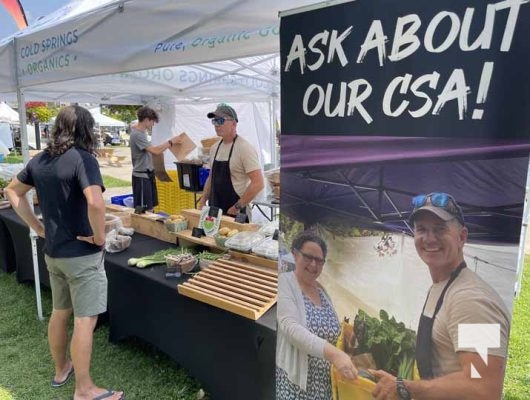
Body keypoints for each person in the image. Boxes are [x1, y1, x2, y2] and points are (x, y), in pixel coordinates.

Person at [5, 105, 124, 400]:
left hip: (54, 253)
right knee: (85, 320)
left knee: (60, 313)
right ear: (86, 129)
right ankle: (84, 390)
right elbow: (96, 203)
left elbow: (11, 191)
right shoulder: (84, 159)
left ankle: (61, 369)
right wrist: (99, 237)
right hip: (81, 256)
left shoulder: (41, 159)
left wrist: (37, 227)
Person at [371, 192, 510, 400]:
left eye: (440, 229)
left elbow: (484, 386)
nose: (429, 238)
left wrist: (406, 387)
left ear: (462, 237)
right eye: (422, 230)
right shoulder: (441, 286)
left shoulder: (471, 299)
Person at [276, 231, 358, 399]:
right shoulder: (284, 283)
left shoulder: (322, 290)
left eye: (319, 261)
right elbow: (291, 328)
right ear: (294, 254)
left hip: (326, 387)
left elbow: (330, 329)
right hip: (297, 387)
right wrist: (335, 354)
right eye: (308, 257)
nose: (314, 265)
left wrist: (346, 339)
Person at [198, 103, 264, 218]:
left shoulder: (244, 148)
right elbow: (211, 177)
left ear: (234, 123)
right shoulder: (214, 148)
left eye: (220, 121)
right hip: (215, 211)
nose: (216, 125)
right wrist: (203, 199)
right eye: (214, 121)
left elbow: (258, 183)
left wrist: (238, 206)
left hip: (236, 212)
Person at [130, 105, 181, 211]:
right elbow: (155, 151)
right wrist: (171, 142)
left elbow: (153, 150)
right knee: (143, 210)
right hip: (141, 176)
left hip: (147, 174)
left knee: (151, 207)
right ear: (146, 120)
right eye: (152, 121)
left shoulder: (141, 132)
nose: (153, 124)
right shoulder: (138, 134)